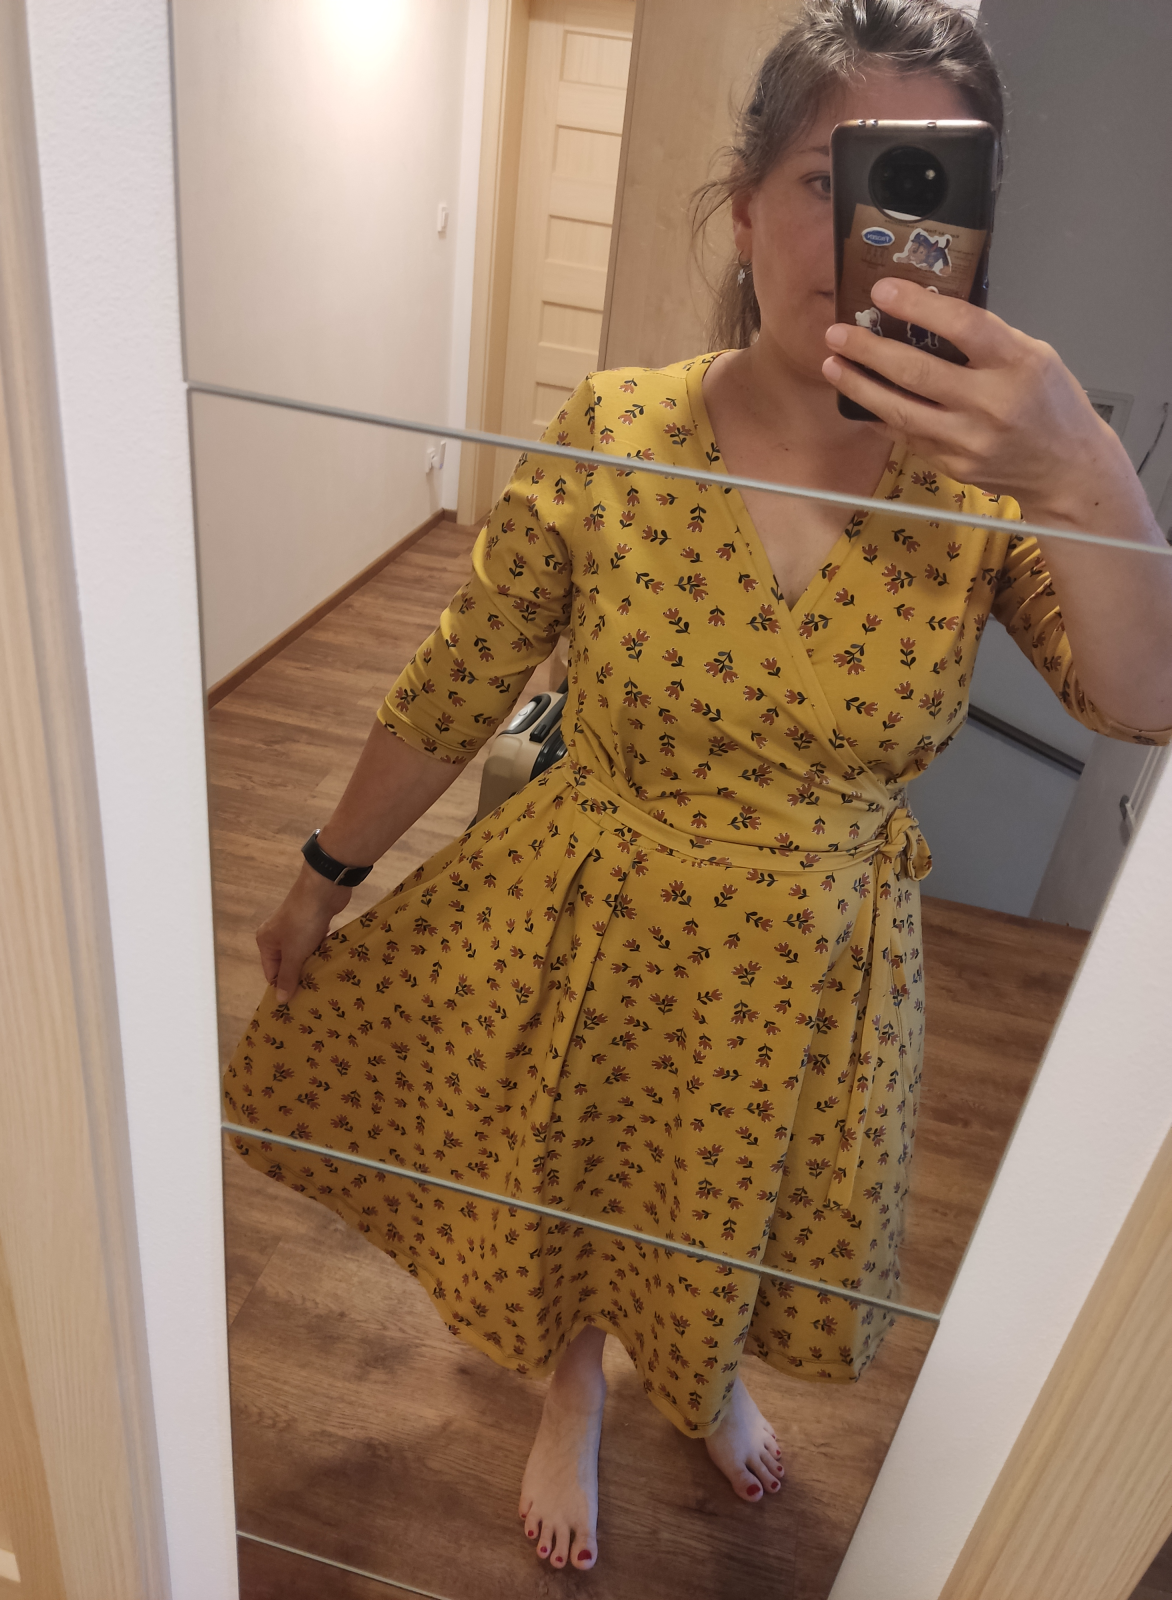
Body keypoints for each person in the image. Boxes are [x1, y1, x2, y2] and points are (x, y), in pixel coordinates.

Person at [225, 0, 1172, 1573]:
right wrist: (323, 874)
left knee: (735, 1192)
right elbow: (462, 676)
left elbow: (1143, 700)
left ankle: (704, 1368)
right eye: (830, 178)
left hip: (816, 972)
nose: (871, 231)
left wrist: (1083, 469)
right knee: (582, 1165)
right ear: (743, 207)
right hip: (595, 920)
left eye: (926, 185)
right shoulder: (620, 429)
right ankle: (573, 1383)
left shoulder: (990, 490)